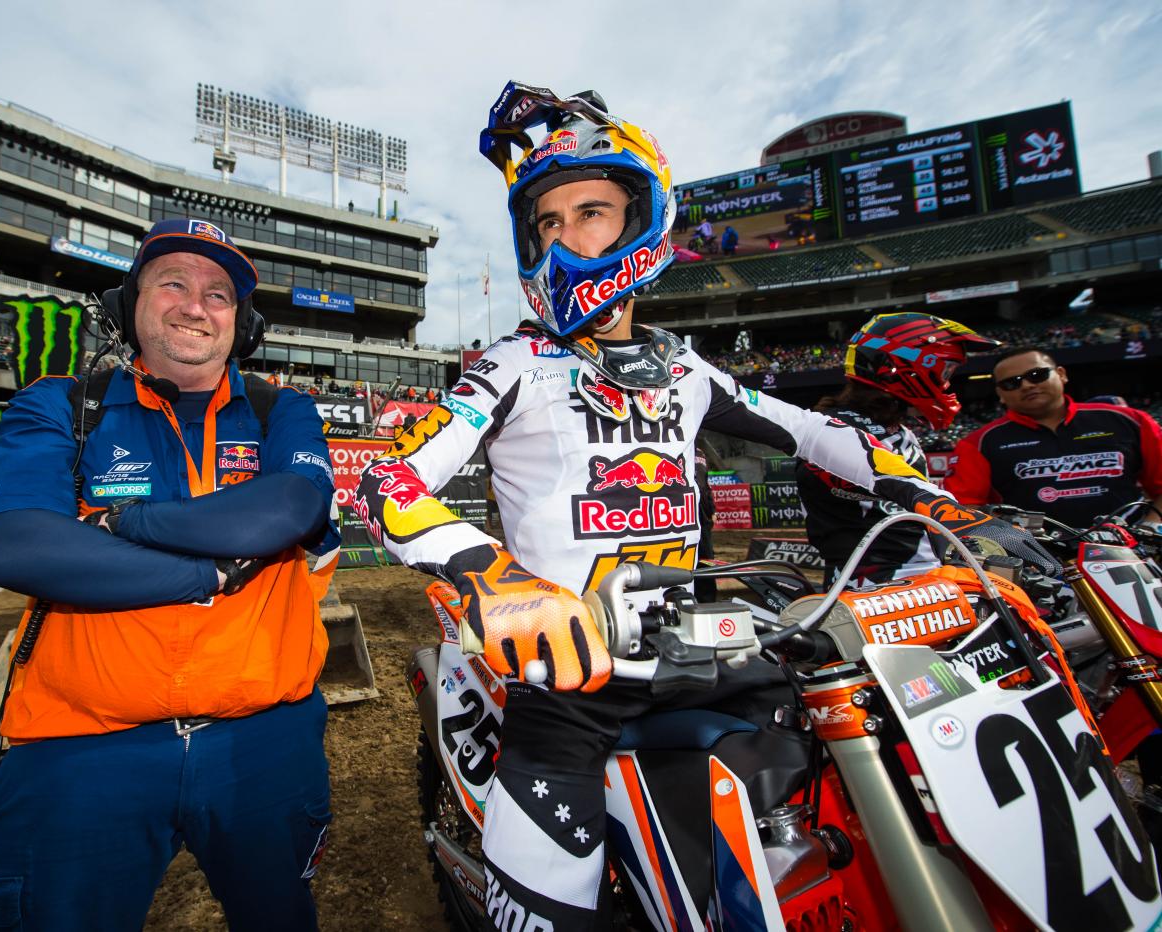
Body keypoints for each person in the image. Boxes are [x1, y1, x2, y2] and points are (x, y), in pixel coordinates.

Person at [352, 82, 1056, 929]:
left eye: (590, 213)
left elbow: (815, 430)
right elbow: (388, 479)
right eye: (547, 222)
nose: (564, 237)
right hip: (566, 679)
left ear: (643, 220)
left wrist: (938, 501)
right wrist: (493, 576)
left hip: (700, 652)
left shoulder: (686, 370)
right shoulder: (514, 365)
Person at [0, 219, 340, 930]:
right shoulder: (61, 403)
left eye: (218, 294)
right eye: (173, 283)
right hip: (80, 749)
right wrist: (209, 575)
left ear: (242, 324)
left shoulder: (280, 409)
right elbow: (14, 545)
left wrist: (118, 524)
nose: (195, 306)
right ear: (128, 304)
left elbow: (286, 510)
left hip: (263, 744)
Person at [797, 312, 998, 585]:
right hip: (877, 585)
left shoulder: (895, 430)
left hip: (916, 578)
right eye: (945, 372)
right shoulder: (835, 430)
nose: (947, 384)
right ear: (903, 367)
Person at [947, 346, 1162, 528]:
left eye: (1037, 375)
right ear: (1000, 394)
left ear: (1061, 374)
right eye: (1012, 383)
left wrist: (1152, 526)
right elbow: (965, 508)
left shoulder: (1130, 421)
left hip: (1132, 547)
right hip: (1034, 555)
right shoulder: (978, 443)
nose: (1027, 385)